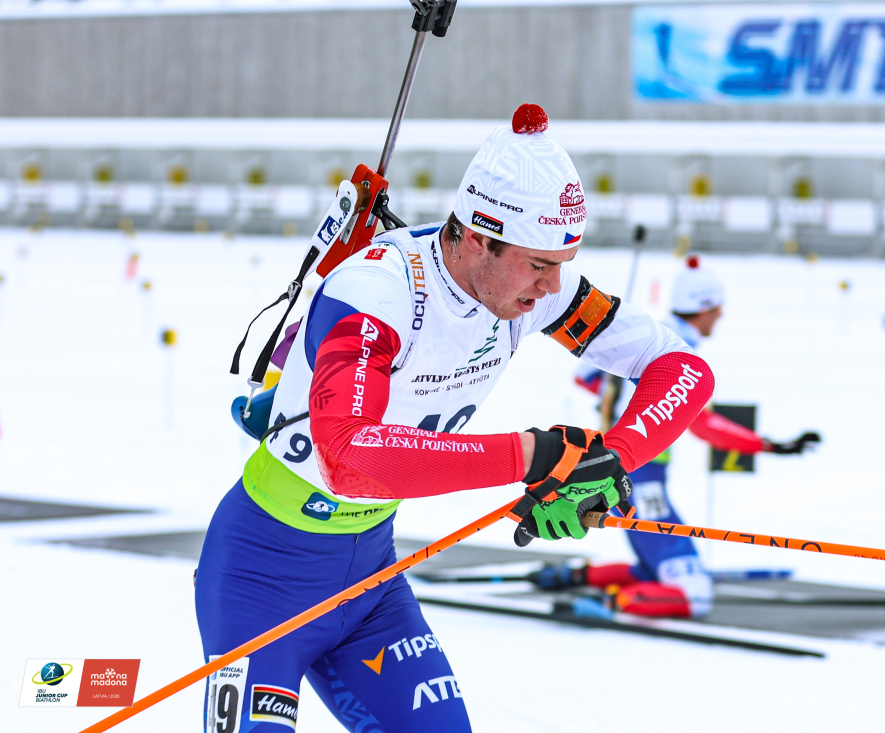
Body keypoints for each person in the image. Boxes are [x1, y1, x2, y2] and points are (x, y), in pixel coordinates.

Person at [195, 104, 716, 733]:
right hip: (261, 579)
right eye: (539, 265)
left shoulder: (529, 291)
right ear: (476, 236)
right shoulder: (379, 293)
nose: (553, 288)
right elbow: (350, 459)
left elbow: (683, 368)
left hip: (370, 586)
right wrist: (535, 455)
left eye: (561, 263)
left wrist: (609, 459)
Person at [542, 255, 820, 620]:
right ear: (702, 309)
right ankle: (610, 603)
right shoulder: (678, 351)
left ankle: (577, 577)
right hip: (640, 477)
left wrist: (622, 399)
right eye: (717, 309)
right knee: (695, 594)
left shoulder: (651, 332)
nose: (720, 316)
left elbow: (587, 377)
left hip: (627, 472)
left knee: (654, 568)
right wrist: (766, 445)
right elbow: (702, 424)